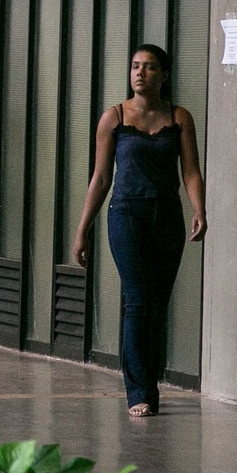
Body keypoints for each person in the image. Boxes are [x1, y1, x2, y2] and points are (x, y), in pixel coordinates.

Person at [71, 44, 208, 418]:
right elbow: (100, 178)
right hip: (126, 214)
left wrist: (199, 209)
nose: (140, 73)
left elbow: (191, 172)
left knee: (158, 304)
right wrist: (83, 229)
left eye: (149, 67)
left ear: (164, 75)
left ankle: (152, 384)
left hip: (166, 216)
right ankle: (138, 392)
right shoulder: (114, 118)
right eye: (135, 66)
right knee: (137, 300)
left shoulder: (179, 118)